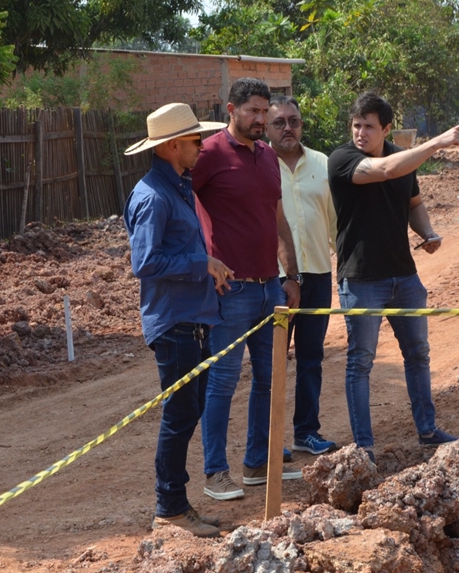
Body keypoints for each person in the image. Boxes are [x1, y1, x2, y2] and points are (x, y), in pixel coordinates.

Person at [328, 92, 459, 461]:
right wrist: (437, 143)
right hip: (361, 279)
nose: (361, 133)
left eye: (369, 127)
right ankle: (364, 447)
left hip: (403, 277)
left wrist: (428, 234)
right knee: (361, 362)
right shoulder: (343, 159)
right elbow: (386, 171)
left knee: (418, 354)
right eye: (356, 125)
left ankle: (427, 431)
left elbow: (414, 204)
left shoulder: (402, 160)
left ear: (386, 128)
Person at [192, 78, 303, 501]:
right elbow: (183, 205)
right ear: (231, 109)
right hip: (231, 291)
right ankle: (215, 472)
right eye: (253, 111)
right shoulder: (208, 154)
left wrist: (291, 275)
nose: (261, 119)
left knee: (269, 379)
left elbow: (277, 219)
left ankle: (258, 463)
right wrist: (201, 257)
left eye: (264, 111)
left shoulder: (268, 157)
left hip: (269, 288)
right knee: (222, 381)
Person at [123, 103, 231, 537]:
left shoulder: (178, 187)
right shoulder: (153, 195)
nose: (202, 146)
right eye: (193, 140)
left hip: (192, 318)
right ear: (171, 146)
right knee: (180, 414)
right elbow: (145, 262)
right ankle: (169, 508)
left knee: (188, 412)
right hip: (174, 323)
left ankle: (177, 505)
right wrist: (200, 262)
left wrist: (207, 265)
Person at [265, 95, 337, 456]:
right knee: (273, 362)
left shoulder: (323, 164)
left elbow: (336, 222)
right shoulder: (258, 165)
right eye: (279, 122)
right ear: (267, 127)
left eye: (293, 120)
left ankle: (305, 432)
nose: (288, 128)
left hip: (319, 276)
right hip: (275, 281)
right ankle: (270, 442)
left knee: (311, 358)